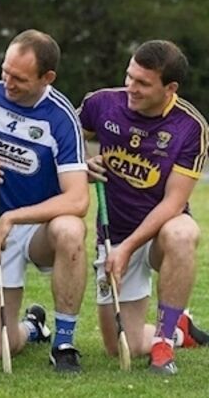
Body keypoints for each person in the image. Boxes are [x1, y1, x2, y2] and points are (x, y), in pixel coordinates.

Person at [0, 29, 88, 373]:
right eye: (5, 72)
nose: (8, 83)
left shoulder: (61, 117)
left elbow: (78, 199)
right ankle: (34, 327)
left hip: (39, 229)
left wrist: (14, 218)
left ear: (47, 78)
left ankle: (64, 343)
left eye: (19, 78)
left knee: (71, 229)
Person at [79, 40, 209, 375]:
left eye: (143, 83)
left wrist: (128, 249)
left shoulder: (190, 126)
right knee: (120, 346)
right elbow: (65, 137)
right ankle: (180, 329)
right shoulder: (101, 103)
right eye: (129, 76)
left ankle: (164, 343)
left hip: (158, 234)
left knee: (182, 233)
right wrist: (82, 163)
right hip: (114, 235)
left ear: (170, 88)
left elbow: (174, 202)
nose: (130, 88)